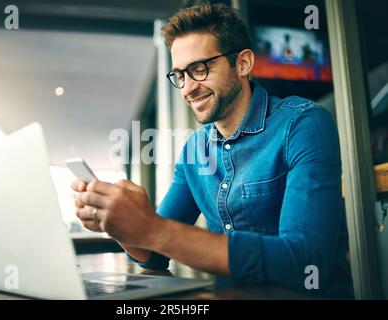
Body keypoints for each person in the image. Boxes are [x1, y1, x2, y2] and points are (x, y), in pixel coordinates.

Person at [71, 3, 353, 298]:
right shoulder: (194, 149)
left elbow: (304, 262)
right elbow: (153, 255)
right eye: (180, 75)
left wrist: (152, 229)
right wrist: (118, 224)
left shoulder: (303, 123)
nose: (187, 88)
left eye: (199, 69)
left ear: (243, 63)